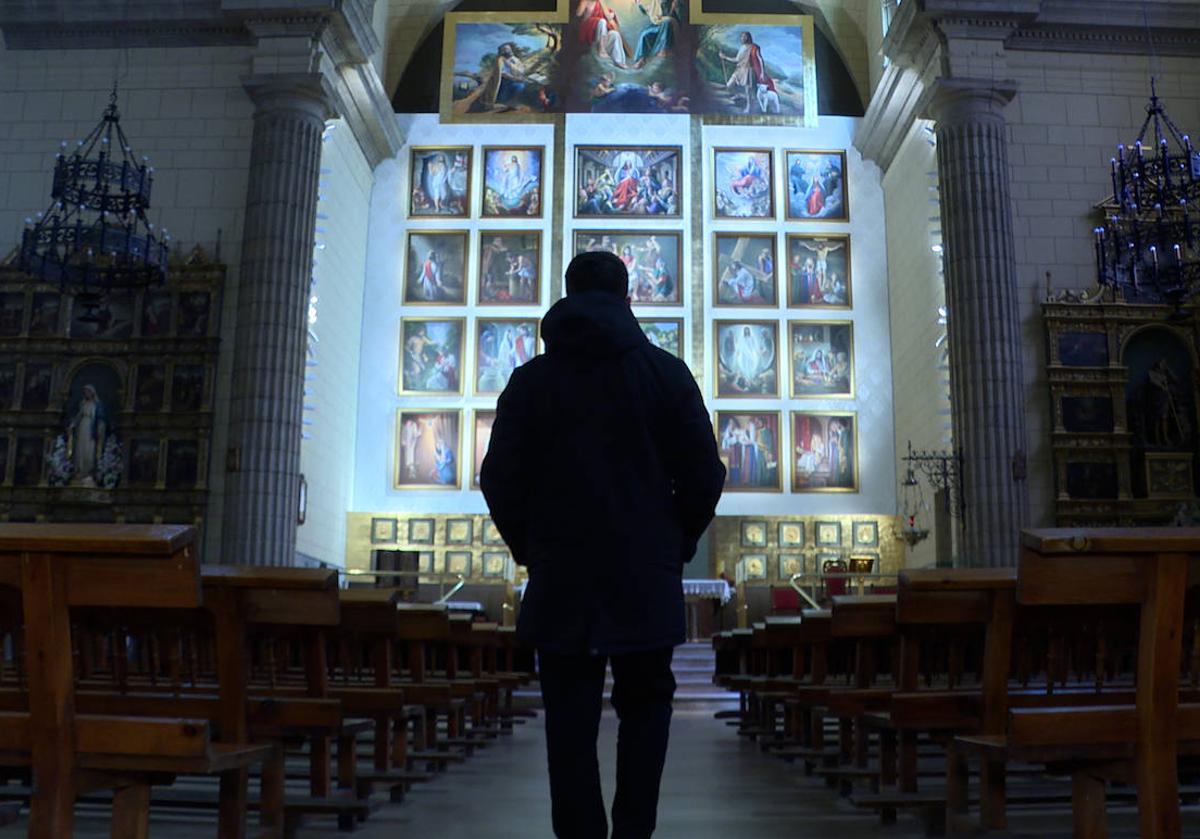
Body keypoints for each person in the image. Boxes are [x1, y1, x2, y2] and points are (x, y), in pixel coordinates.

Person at [481, 251, 725, 839]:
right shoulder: (665, 374)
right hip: (645, 573)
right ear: (627, 299)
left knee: (568, 724)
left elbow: (499, 478)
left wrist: (531, 548)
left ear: (567, 296)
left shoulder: (532, 380)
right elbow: (704, 474)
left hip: (562, 573)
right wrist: (674, 543)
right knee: (645, 711)